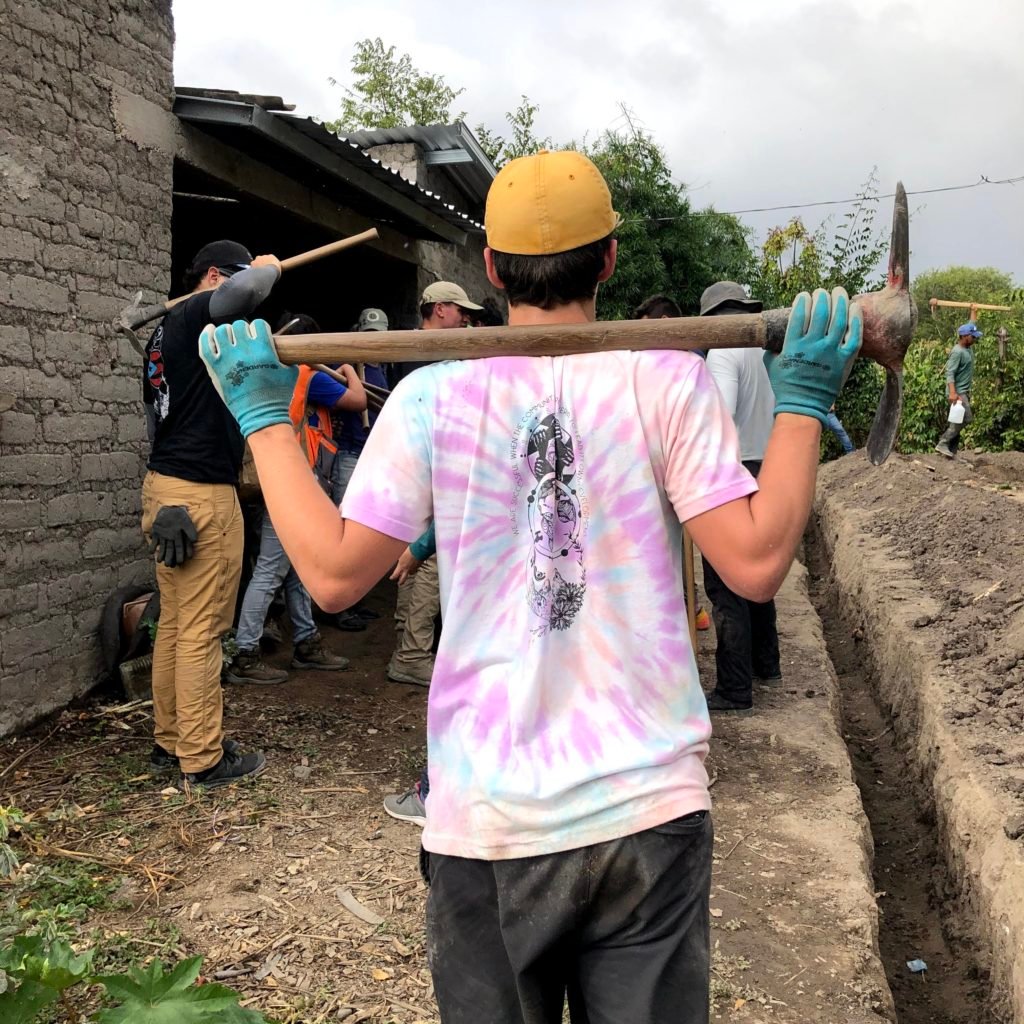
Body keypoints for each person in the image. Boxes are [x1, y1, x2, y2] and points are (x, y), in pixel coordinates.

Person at [199, 149, 862, 1024]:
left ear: (490, 270)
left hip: (487, 822)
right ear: (612, 258)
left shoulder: (431, 398)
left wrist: (261, 422)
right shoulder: (666, 377)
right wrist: (803, 401)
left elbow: (329, 576)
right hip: (643, 816)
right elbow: (754, 561)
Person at [141, 240, 278, 788]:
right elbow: (240, 292)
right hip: (199, 492)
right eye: (234, 278)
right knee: (201, 628)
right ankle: (202, 757)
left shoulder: (162, 332)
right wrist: (270, 269)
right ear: (214, 275)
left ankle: (170, 741)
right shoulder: (197, 311)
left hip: (165, 485)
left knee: (175, 624)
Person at [227, 314, 364, 684]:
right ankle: (245, 653)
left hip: (276, 481)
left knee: (295, 567)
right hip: (292, 482)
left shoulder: (265, 372)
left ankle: (306, 641)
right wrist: (350, 368)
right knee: (271, 568)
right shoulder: (306, 374)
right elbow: (358, 400)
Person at [386, 283, 482, 687]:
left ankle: (403, 643)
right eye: (460, 310)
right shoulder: (435, 356)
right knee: (433, 553)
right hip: (435, 463)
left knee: (412, 551)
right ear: (440, 309)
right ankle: (412, 653)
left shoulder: (405, 349)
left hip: (411, 463)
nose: (464, 318)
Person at [699, 281, 782, 713]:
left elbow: (720, 416)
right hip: (768, 466)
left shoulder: (723, 352)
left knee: (726, 582)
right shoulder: (766, 351)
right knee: (759, 574)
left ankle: (734, 688)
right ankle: (766, 664)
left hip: (735, 468)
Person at [330, 307, 391, 632]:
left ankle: (355, 600)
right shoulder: (350, 368)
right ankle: (340, 607)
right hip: (350, 455)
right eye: (368, 337)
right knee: (346, 532)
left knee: (364, 531)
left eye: (377, 337)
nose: (372, 343)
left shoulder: (379, 370)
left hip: (370, 456)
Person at [935, 321, 981, 458]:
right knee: (966, 418)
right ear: (965, 336)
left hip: (963, 391)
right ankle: (943, 443)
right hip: (958, 392)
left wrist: (973, 310)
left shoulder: (967, 348)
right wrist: (953, 393)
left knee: (957, 419)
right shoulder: (957, 352)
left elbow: (972, 323)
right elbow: (950, 373)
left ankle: (951, 452)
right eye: (973, 336)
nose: (975, 339)